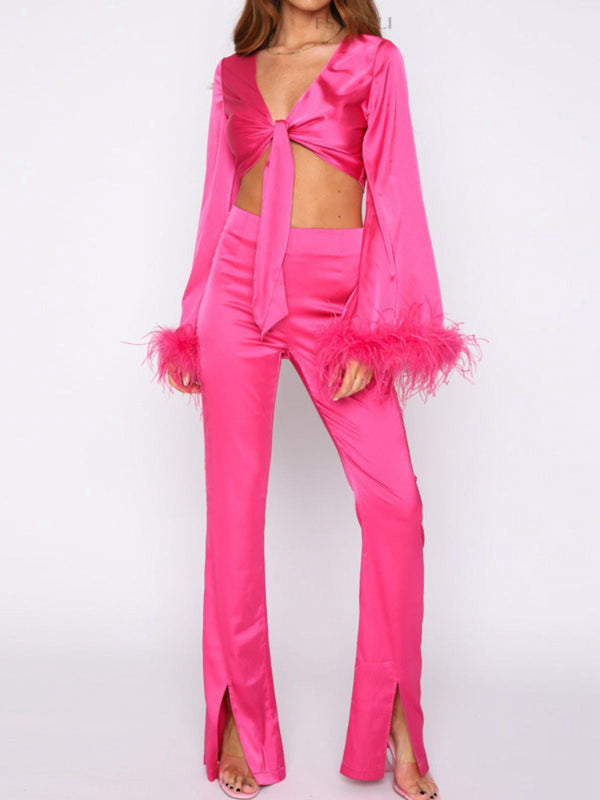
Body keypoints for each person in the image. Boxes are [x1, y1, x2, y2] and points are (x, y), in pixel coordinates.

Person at [144, 1, 482, 797]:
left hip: (339, 297)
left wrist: (375, 323)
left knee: (394, 504)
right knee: (233, 514)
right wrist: (193, 318)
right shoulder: (235, 74)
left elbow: (395, 195)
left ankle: (394, 716)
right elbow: (217, 199)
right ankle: (238, 718)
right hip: (236, 289)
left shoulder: (374, 62)